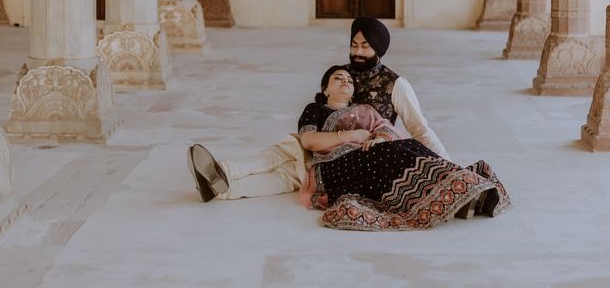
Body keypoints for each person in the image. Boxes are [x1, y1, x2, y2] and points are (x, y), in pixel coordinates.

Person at [187, 17, 448, 202]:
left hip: (359, 157)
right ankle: (222, 179)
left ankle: (224, 176)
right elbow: (323, 109)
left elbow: (419, 129)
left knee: (290, 162)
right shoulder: (344, 74)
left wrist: (446, 167)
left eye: (365, 46)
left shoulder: (396, 84)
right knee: (291, 150)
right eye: (354, 45)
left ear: (378, 50)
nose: (357, 52)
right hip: (322, 144)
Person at [297, 65, 509, 230]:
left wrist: (379, 140)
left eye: (349, 80)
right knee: (389, 153)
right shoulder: (315, 109)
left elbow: (387, 130)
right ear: (325, 89)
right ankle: (460, 188)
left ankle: (459, 191)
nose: (345, 81)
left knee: (409, 144)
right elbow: (308, 141)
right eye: (338, 78)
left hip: (367, 159)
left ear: (353, 93)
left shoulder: (365, 110)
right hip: (330, 169)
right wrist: (351, 135)